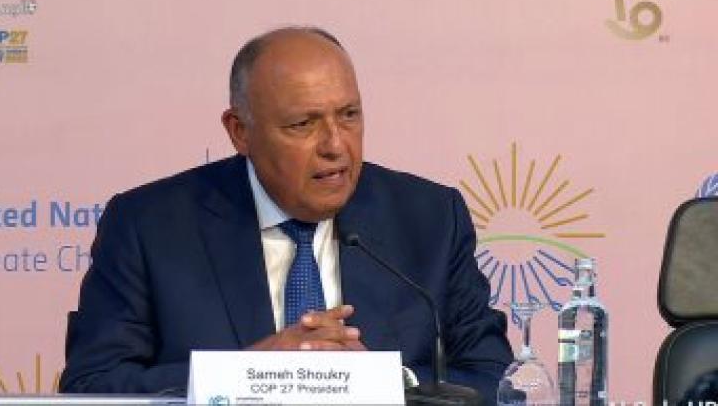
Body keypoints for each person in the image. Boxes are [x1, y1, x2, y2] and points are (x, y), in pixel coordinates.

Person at [60, 26, 512, 401]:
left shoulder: (429, 219)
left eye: (349, 115)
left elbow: (495, 378)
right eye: (303, 124)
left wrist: (387, 383)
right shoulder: (149, 227)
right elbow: (92, 386)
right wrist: (252, 372)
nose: (335, 145)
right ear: (240, 131)